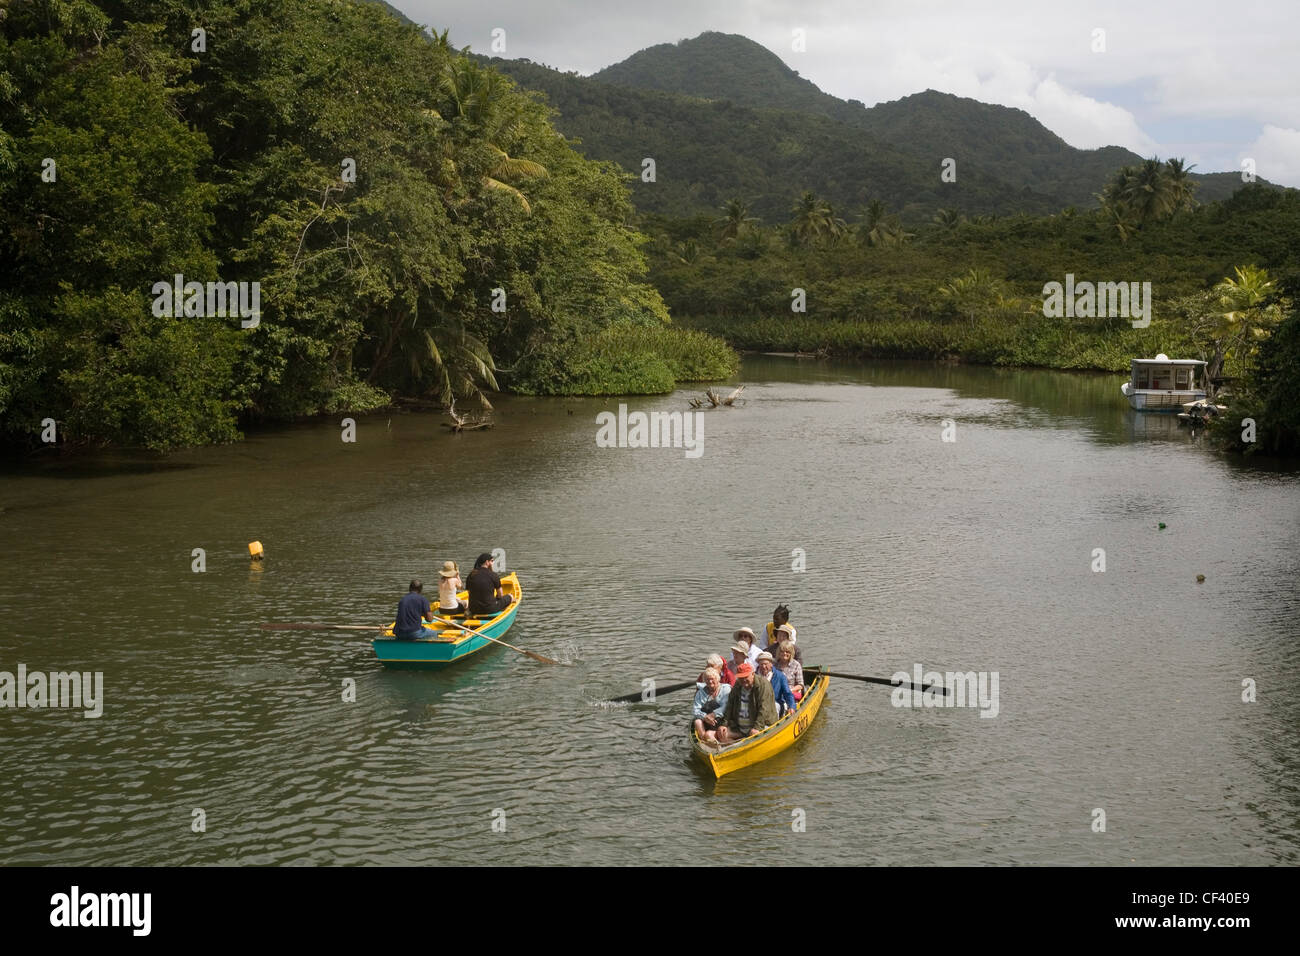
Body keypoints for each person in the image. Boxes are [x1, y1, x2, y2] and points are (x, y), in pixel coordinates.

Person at [711, 662, 777, 746]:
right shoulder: (738, 684)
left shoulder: (763, 685)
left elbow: (764, 709)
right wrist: (724, 724)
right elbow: (730, 705)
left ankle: (736, 747)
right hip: (740, 727)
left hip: (761, 725)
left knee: (754, 736)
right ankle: (732, 747)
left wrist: (757, 728)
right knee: (721, 734)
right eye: (741, 678)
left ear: (753, 674)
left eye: (746, 677)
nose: (743, 680)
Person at [691, 667, 731, 744]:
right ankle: (705, 742)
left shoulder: (726, 689)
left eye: (712, 679)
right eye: (707, 679)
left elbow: (725, 706)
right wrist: (705, 717)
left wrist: (714, 714)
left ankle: (718, 743)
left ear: (718, 679)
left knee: (710, 733)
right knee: (697, 722)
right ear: (704, 681)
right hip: (707, 721)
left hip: (723, 720)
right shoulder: (700, 693)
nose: (710, 681)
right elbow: (695, 710)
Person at [757, 651, 796, 717]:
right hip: (758, 704)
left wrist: (792, 707)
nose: (763, 666)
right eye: (761, 664)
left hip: (776, 703)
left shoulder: (780, 676)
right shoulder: (754, 676)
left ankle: (773, 725)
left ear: (771, 664)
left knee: (774, 707)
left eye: (766, 664)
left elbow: (787, 693)